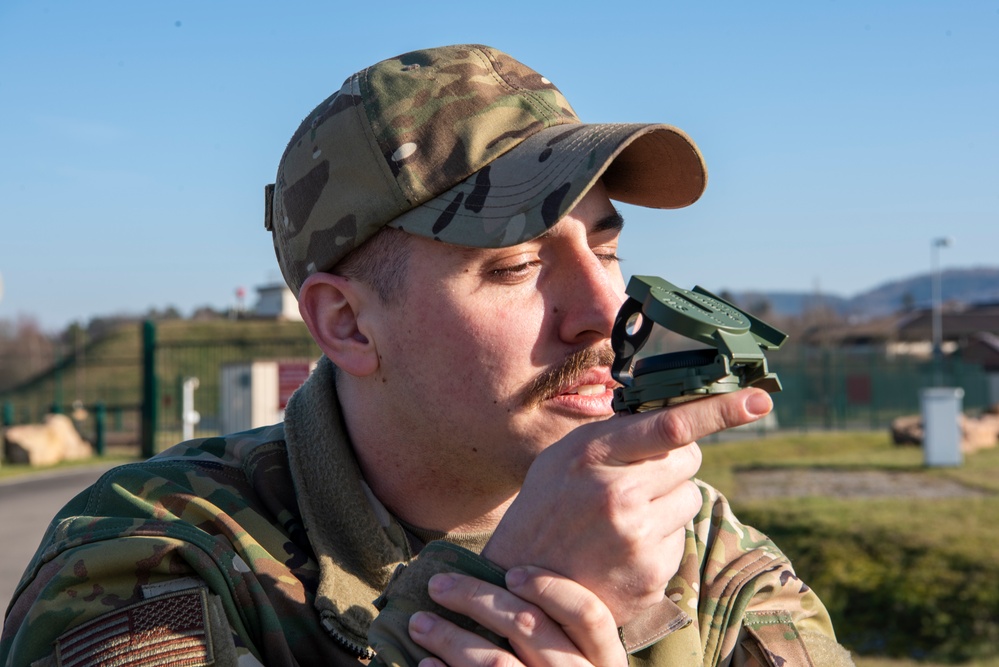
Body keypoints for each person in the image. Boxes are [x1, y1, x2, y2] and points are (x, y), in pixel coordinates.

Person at [0, 44, 854, 667]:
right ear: (348, 325)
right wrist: (507, 601)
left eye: (604, 248)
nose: (602, 313)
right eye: (517, 264)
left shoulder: (695, 544)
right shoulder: (155, 551)